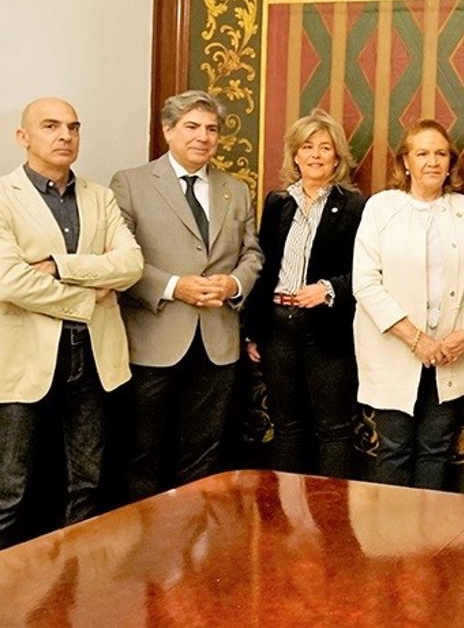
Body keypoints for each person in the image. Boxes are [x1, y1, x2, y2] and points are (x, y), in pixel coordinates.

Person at [0, 98, 143, 547]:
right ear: (23, 137)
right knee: (11, 487)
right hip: (24, 359)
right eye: (51, 126)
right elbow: (9, 280)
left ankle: (77, 576)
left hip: (95, 356)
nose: (65, 135)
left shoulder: (100, 197)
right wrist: (88, 296)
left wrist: (59, 266)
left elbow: (131, 264)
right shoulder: (4, 196)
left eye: (73, 127)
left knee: (88, 480)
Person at [110, 90, 263, 501]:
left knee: (203, 456)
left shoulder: (236, 189)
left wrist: (234, 284)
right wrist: (174, 286)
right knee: (142, 454)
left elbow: (252, 253)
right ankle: (143, 538)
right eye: (192, 126)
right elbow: (120, 259)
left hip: (217, 341)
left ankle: (193, 534)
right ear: (168, 130)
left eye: (211, 129)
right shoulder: (130, 183)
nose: (203, 137)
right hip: (153, 341)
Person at [352, 119, 464, 489]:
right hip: (394, 350)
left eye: (441, 154)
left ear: (450, 162)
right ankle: (393, 529)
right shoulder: (381, 208)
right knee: (394, 450)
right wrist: (416, 339)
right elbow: (365, 283)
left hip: (451, 354)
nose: (433, 161)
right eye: (422, 153)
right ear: (405, 162)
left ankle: (430, 528)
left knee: (436, 450)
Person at [243, 110, 366, 478]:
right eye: (307, 147)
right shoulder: (277, 203)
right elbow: (263, 268)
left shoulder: (356, 206)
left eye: (325, 147)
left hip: (327, 329)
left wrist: (328, 290)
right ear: (295, 155)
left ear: (337, 157)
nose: (316, 155)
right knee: (287, 427)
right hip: (278, 328)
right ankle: (286, 509)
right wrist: (253, 330)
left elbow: (367, 272)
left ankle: (330, 510)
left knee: (333, 429)